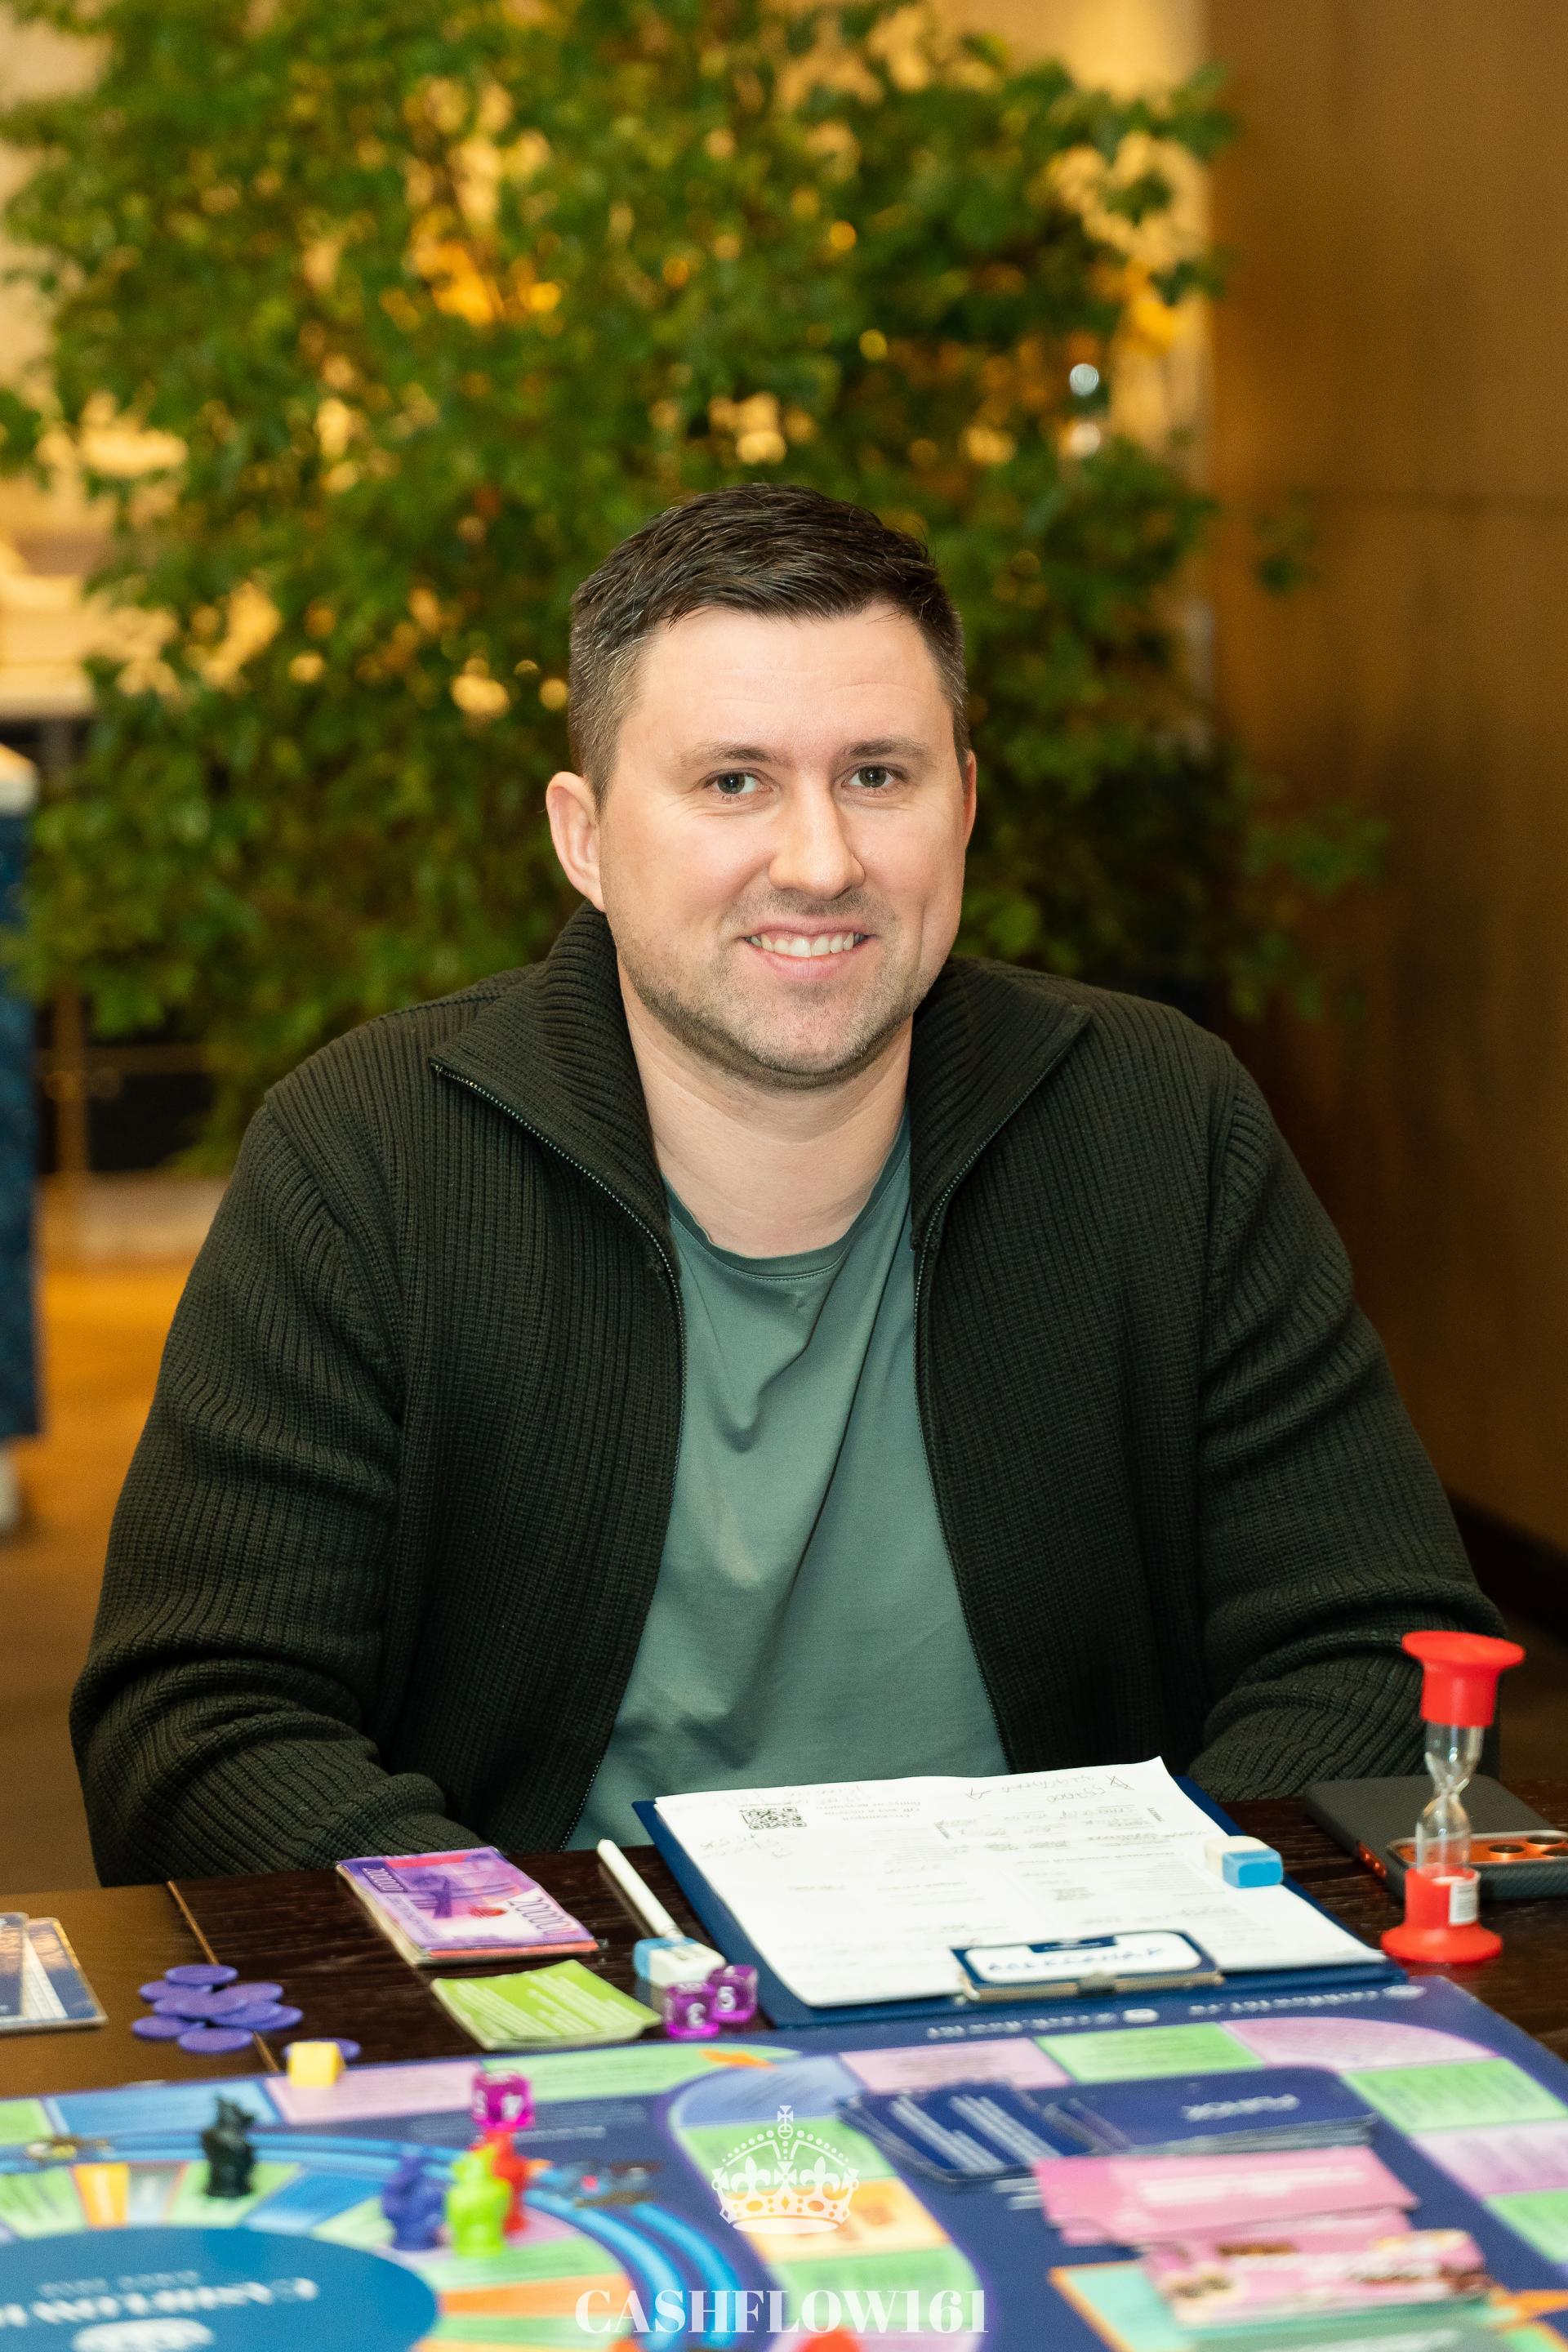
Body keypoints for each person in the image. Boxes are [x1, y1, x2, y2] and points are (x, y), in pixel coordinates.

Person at [73, 484, 1501, 1882]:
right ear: (585, 839)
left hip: (1071, 1985)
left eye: (878, 776)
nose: (820, 862)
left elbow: (1375, 1647)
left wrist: (1136, 1920)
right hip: (569, 2001)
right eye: (733, 782)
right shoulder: (372, 1158)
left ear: (964, 806)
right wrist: (535, 1969)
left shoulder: (1157, 1123)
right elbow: (197, 1728)